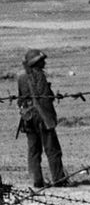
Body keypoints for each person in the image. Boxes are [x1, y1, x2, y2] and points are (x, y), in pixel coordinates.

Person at [16, 49, 63, 189]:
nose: (45, 62)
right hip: (42, 117)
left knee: (34, 150)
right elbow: (44, 99)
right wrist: (50, 119)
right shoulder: (39, 76)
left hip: (28, 117)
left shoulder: (21, 76)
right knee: (52, 149)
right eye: (42, 60)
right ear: (36, 62)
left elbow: (20, 99)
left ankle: (37, 181)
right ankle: (59, 179)